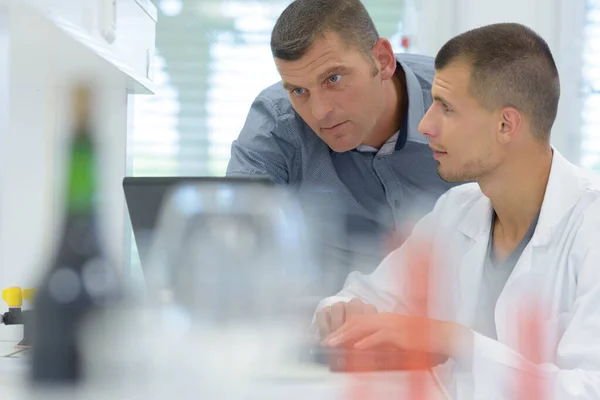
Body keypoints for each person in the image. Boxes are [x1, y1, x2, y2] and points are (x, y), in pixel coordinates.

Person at [315, 23, 600, 398]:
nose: (425, 125)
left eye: (446, 108)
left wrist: (453, 340)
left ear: (505, 124)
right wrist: (342, 312)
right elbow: (365, 296)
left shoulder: (590, 226)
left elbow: (587, 388)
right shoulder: (457, 209)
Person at [226, 0, 457, 281]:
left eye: (333, 78)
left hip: (453, 312)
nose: (320, 112)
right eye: (299, 90)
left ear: (382, 60)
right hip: (327, 314)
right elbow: (234, 239)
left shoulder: (458, 99)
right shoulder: (277, 122)